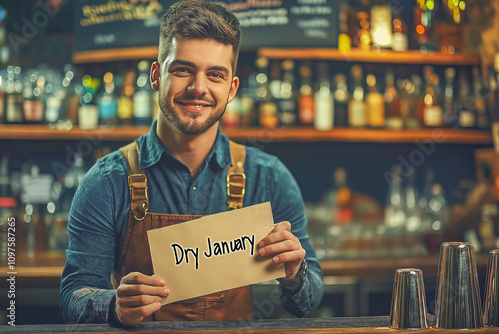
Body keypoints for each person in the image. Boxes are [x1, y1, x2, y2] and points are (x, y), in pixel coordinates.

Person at [60, 0, 323, 326]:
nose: (199, 87)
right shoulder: (106, 181)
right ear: (156, 76)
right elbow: (73, 294)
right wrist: (112, 305)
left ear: (231, 89)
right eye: (183, 69)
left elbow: (306, 304)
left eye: (215, 74)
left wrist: (295, 273)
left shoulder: (268, 177)